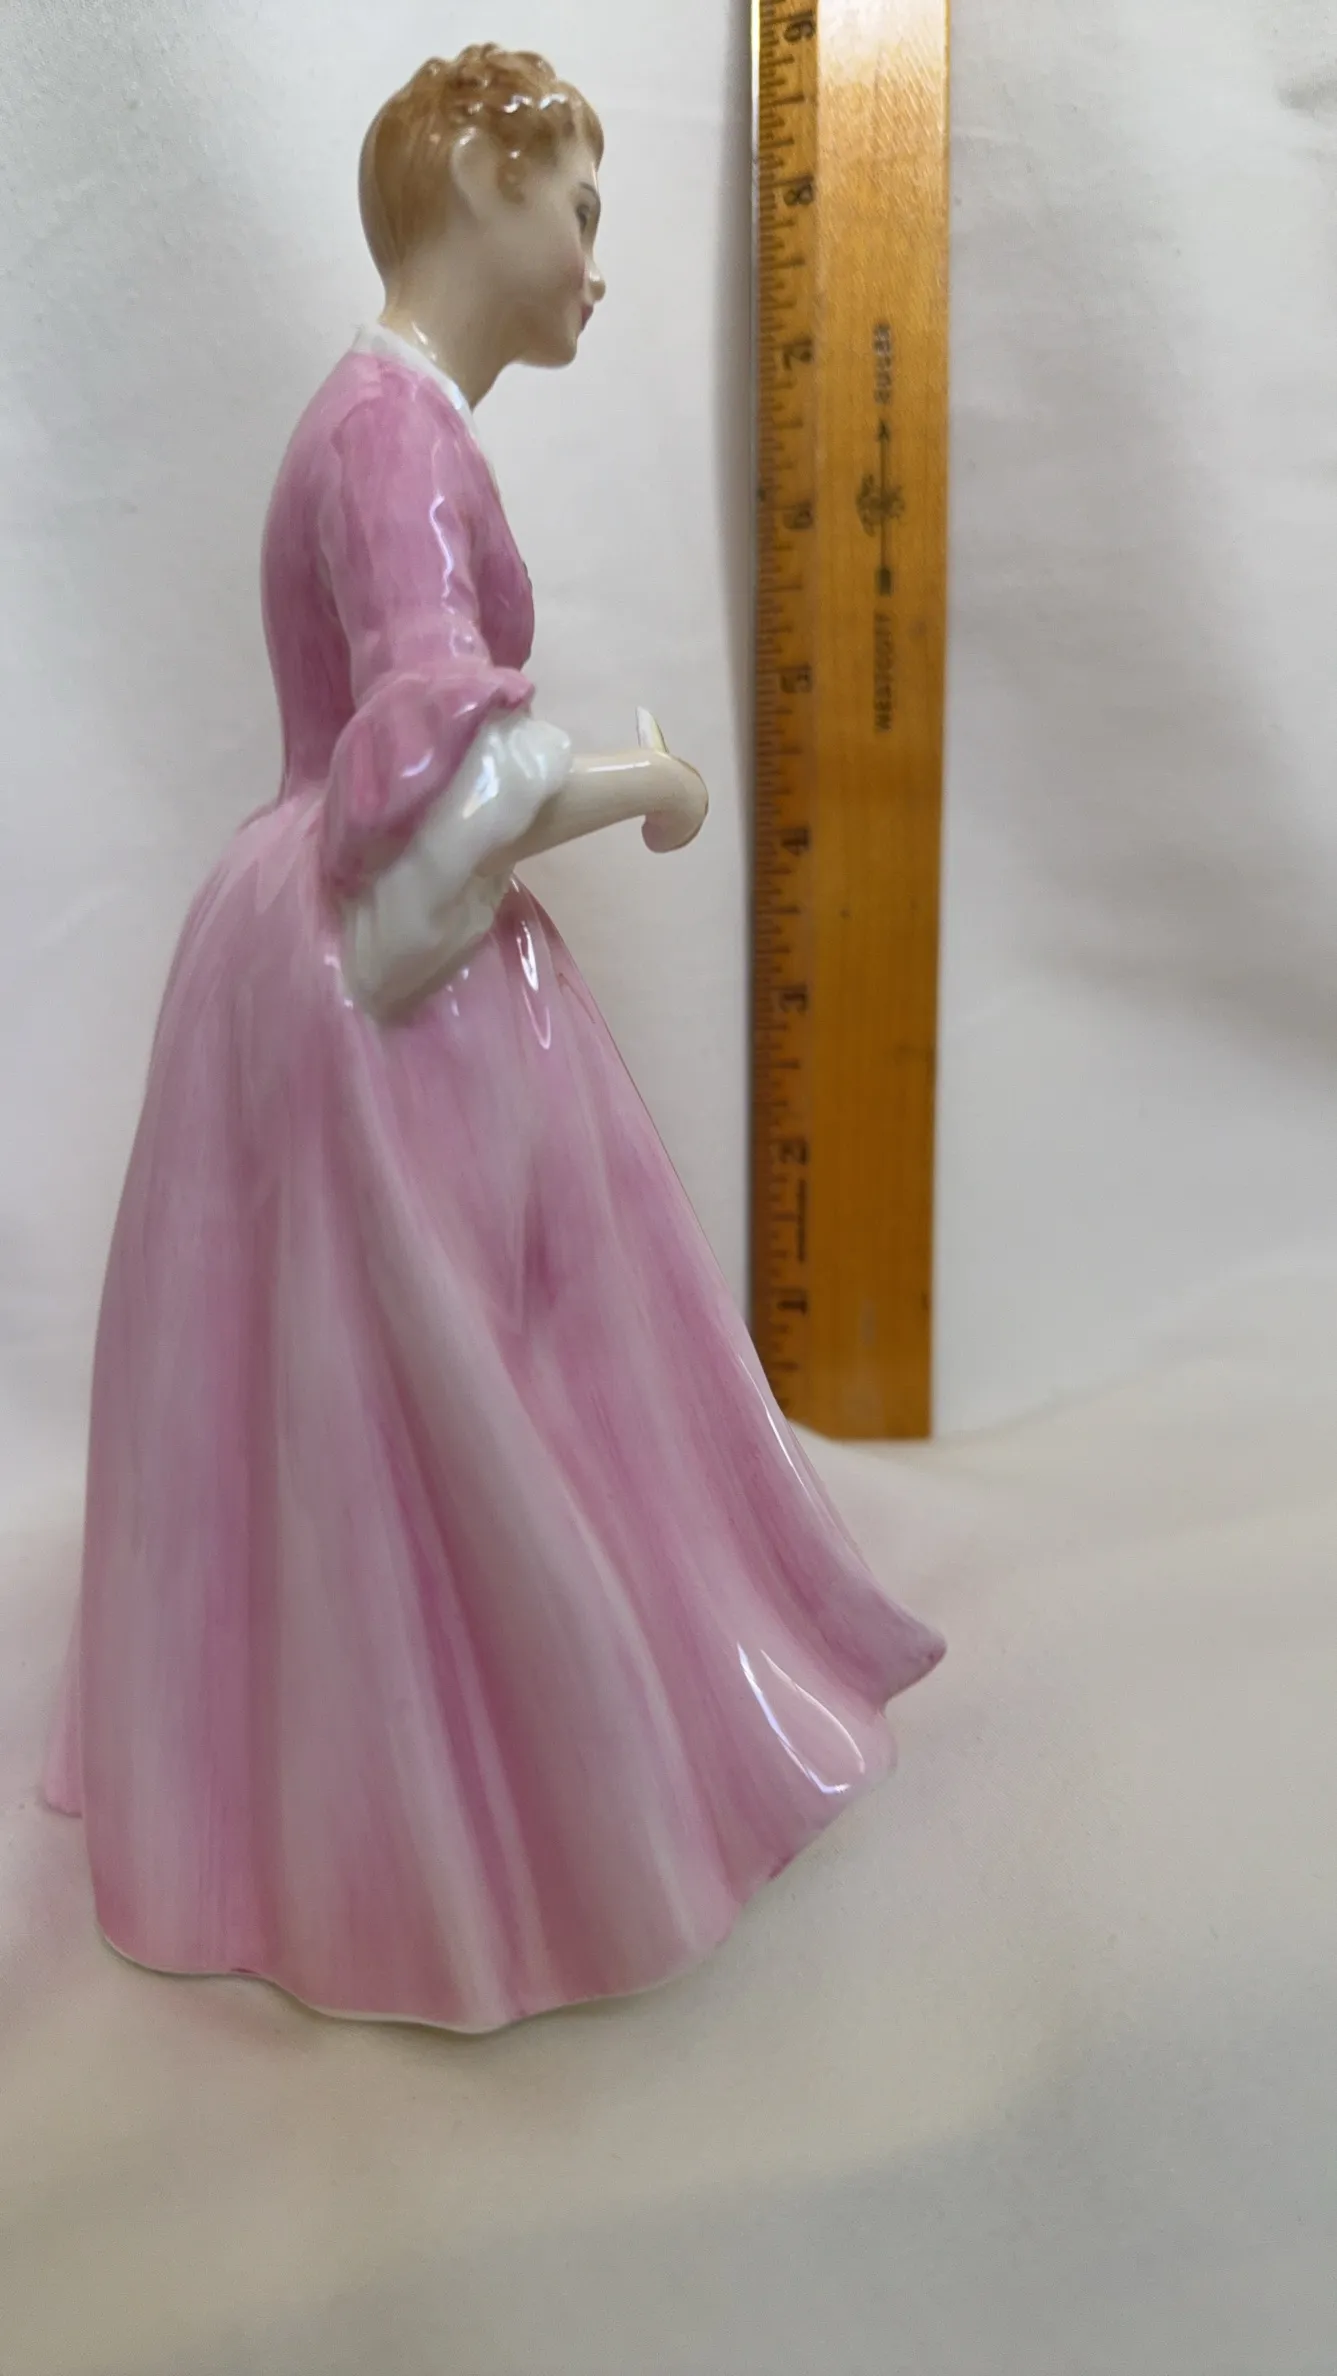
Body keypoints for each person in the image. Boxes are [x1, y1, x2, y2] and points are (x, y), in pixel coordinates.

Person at [43, 45, 944, 2031]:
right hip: (372, 976)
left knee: (435, 1376)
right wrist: (647, 780)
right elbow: (433, 789)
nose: (598, 260)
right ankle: (459, 1833)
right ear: (477, 174)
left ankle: (392, 1792)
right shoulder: (390, 437)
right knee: (450, 1381)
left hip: (355, 952)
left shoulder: (389, 421)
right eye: (582, 206)